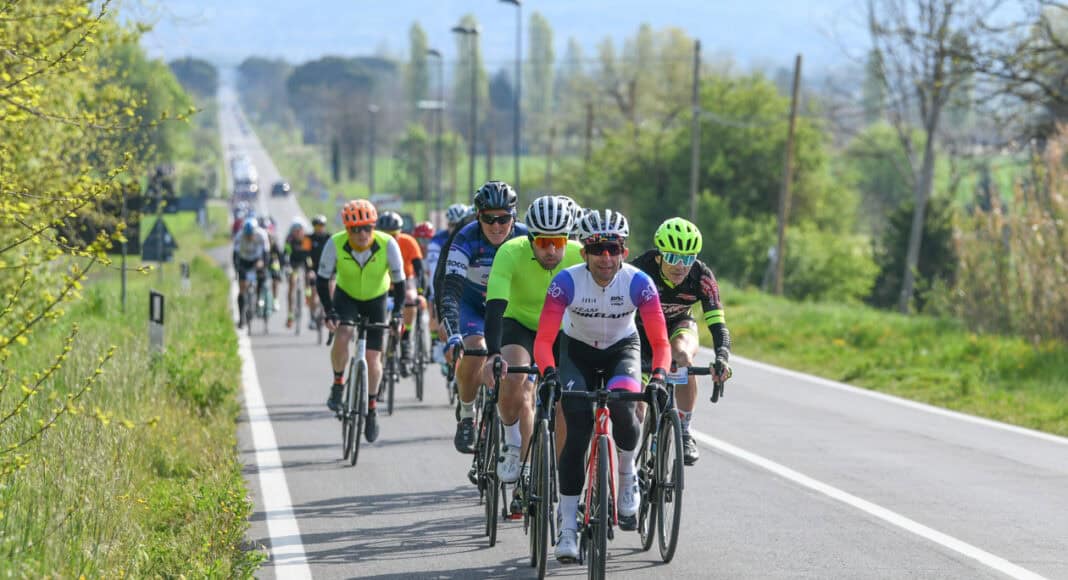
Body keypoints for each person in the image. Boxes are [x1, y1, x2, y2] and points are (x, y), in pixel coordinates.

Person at [532, 209, 671, 563]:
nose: (606, 257)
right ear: (584, 252)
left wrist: (657, 376)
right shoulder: (566, 282)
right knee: (577, 429)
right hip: (576, 352)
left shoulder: (639, 283)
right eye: (597, 249)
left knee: (624, 407)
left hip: (622, 350)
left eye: (613, 248)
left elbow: (661, 342)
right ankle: (567, 526)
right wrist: (549, 374)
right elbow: (544, 341)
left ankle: (626, 474)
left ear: (624, 251)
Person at [483, 195, 583, 509]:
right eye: (542, 243)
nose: (551, 251)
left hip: (562, 329)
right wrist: (493, 353)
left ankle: (559, 471)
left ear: (567, 239)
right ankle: (513, 443)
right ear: (530, 239)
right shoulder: (509, 252)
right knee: (515, 379)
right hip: (519, 323)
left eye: (558, 242)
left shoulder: (580, 255)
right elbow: (495, 306)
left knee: (567, 399)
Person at [632, 217, 733, 465]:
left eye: (688, 259)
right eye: (673, 257)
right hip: (641, 333)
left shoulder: (702, 276)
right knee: (635, 412)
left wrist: (722, 357)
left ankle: (685, 431)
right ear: (659, 256)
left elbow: (718, 325)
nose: (680, 266)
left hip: (678, 326)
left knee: (683, 357)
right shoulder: (639, 270)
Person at [438, 182, 528, 454]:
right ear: (478, 216)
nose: (496, 225)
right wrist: (451, 329)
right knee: (475, 349)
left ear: (514, 217)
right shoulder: (465, 238)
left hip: (509, 308)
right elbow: (450, 289)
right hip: (473, 305)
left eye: (503, 218)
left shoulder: (526, 238)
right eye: (489, 219)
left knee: (517, 371)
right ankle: (467, 415)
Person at [316, 200, 406, 443]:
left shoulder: (388, 244)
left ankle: (372, 408)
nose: (362, 234)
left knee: (373, 358)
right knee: (343, 333)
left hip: (377, 299)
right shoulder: (335, 243)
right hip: (346, 297)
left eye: (367, 228)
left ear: (374, 227)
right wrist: (329, 311)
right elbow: (322, 280)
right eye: (355, 229)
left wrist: (397, 314)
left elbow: (400, 284)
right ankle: (338, 384)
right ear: (347, 229)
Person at [377, 211, 425, 374]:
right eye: (386, 235)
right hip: (383, 283)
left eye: (394, 235)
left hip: (405, 281)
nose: (391, 239)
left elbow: (419, 270)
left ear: (400, 232)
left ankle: (406, 339)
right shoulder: (374, 243)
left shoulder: (408, 241)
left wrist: (420, 292)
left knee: (410, 298)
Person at [232, 219, 270, 329]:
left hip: (257, 260)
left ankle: (259, 299)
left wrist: (263, 264)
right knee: (242, 288)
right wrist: (237, 269)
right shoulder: (239, 236)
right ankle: (241, 318)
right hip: (244, 261)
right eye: (247, 235)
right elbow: (235, 255)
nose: (249, 237)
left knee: (261, 278)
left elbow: (266, 253)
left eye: (251, 234)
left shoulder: (262, 235)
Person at [305, 214, 333, 329]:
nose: (319, 228)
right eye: (317, 226)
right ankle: (312, 317)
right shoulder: (308, 238)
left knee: (331, 291)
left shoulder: (330, 238)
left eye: (321, 226)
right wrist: (309, 270)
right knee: (314, 294)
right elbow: (306, 255)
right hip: (315, 269)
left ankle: (328, 315)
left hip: (329, 269)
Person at [283, 217, 312, 329]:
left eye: (299, 230)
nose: (298, 232)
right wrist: (286, 267)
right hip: (293, 264)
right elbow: (286, 254)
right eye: (295, 230)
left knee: (309, 275)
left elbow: (309, 255)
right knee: (292, 283)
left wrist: (310, 269)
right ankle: (290, 315)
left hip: (304, 263)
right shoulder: (289, 240)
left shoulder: (306, 240)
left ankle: (308, 295)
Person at [258, 216, 283, 310]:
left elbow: (280, 255)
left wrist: (281, 269)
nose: (267, 232)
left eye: (268, 229)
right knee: (259, 277)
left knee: (275, 277)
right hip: (262, 261)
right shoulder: (259, 239)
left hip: (272, 262)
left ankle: (275, 299)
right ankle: (259, 297)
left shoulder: (274, 240)